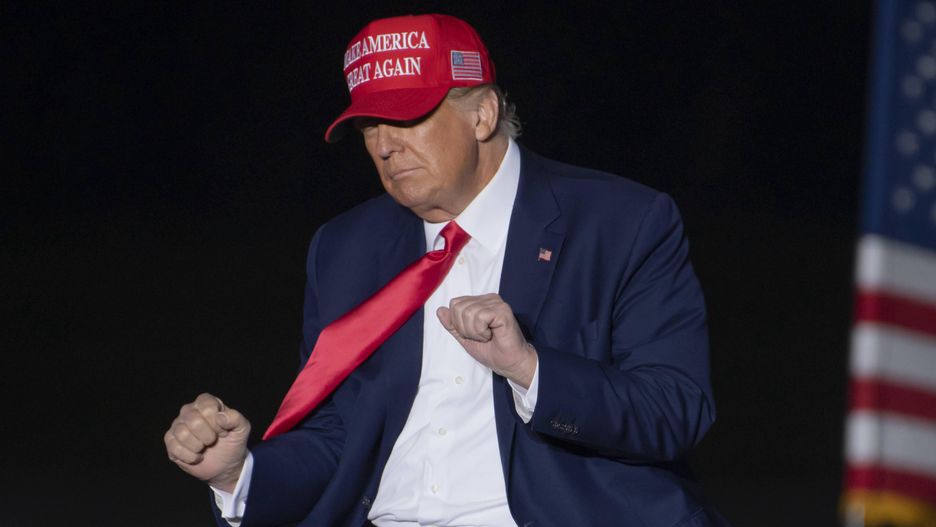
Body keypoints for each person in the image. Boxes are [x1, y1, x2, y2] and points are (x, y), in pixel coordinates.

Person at [164, 13, 726, 527]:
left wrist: (531, 370)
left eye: (405, 117)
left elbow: (674, 411)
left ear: (482, 114)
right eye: (368, 127)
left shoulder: (620, 223)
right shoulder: (345, 247)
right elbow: (340, 436)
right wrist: (238, 475)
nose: (384, 147)